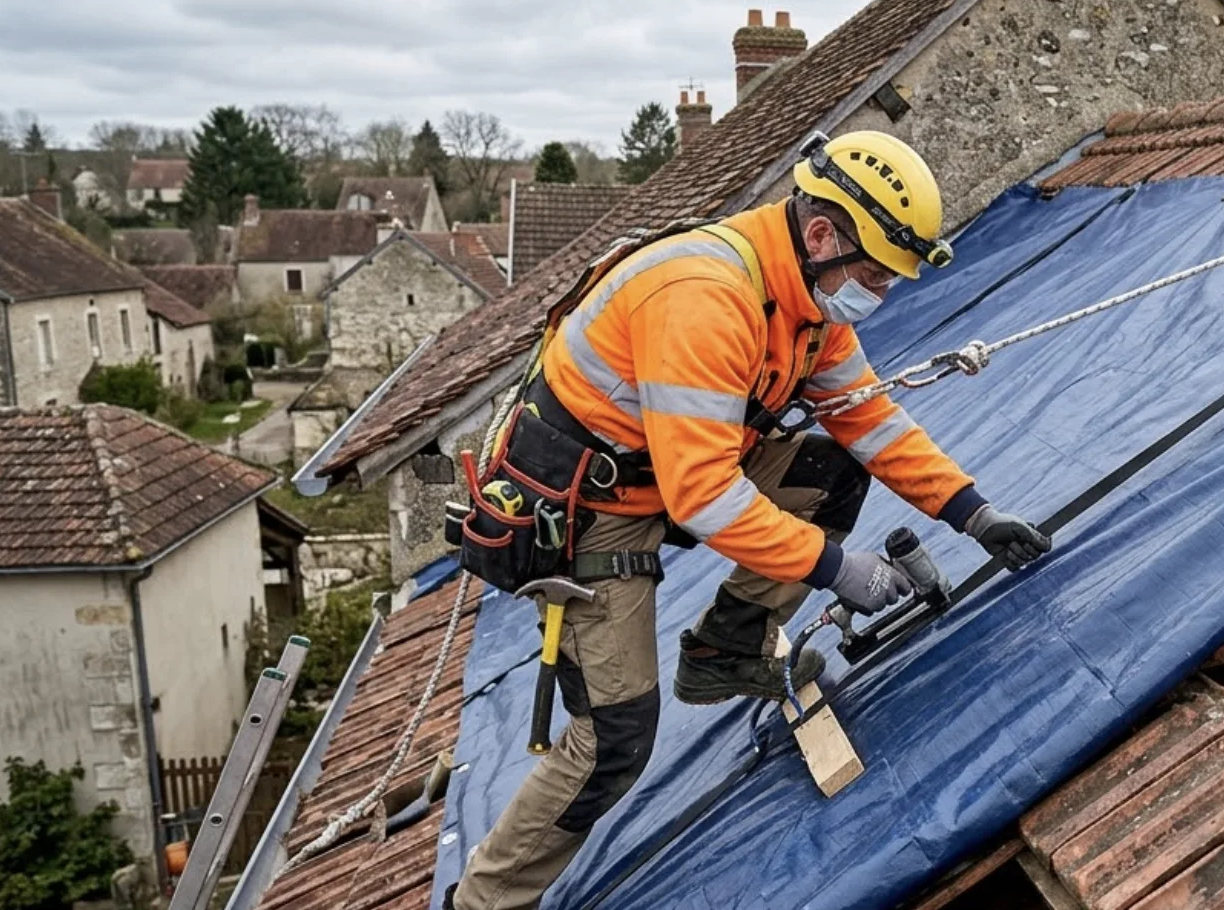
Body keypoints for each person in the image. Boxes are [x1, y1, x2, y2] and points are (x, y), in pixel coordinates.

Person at [448, 130, 1051, 910]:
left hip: (663, 472)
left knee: (829, 473)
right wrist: (839, 569)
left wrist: (973, 512)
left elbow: (867, 420)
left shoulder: (805, 303)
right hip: (587, 515)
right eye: (872, 275)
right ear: (824, 234)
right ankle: (485, 900)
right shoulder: (704, 297)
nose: (879, 294)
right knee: (614, 740)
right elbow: (703, 495)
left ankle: (725, 653)